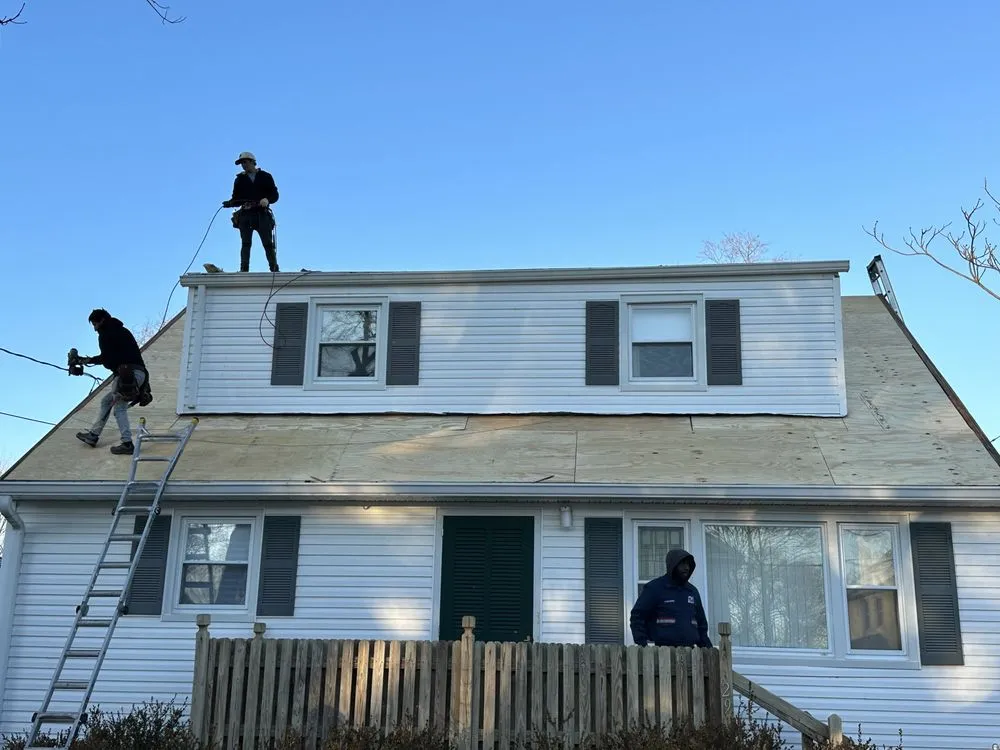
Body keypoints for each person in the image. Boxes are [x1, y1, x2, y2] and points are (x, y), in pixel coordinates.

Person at [74, 309, 151, 455]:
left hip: (126, 375)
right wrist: (89, 360)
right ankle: (93, 435)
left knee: (119, 408)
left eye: (95, 324)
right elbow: (111, 355)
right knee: (106, 401)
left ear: (102, 320)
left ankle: (127, 443)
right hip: (139, 375)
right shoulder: (122, 331)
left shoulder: (105, 335)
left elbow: (108, 360)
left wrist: (87, 361)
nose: (95, 328)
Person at [629, 549, 712, 648]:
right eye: (682, 564)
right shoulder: (655, 588)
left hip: (690, 653)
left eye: (688, 564)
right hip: (663, 653)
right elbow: (637, 616)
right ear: (672, 565)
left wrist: (708, 649)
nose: (686, 568)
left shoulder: (692, 591)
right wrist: (642, 645)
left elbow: (701, 624)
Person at [223, 151, 280, 273]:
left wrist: (267, 199)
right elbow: (236, 199)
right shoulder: (240, 179)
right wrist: (230, 203)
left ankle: (274, 268)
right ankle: (244, 269)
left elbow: (275, 195)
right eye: (241, 163)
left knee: (268, 243)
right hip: (246, 215)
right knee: (246, 243)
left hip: (262, 214)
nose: (243, 165)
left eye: (245, 162)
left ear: (252, 162)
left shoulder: (265, 176)